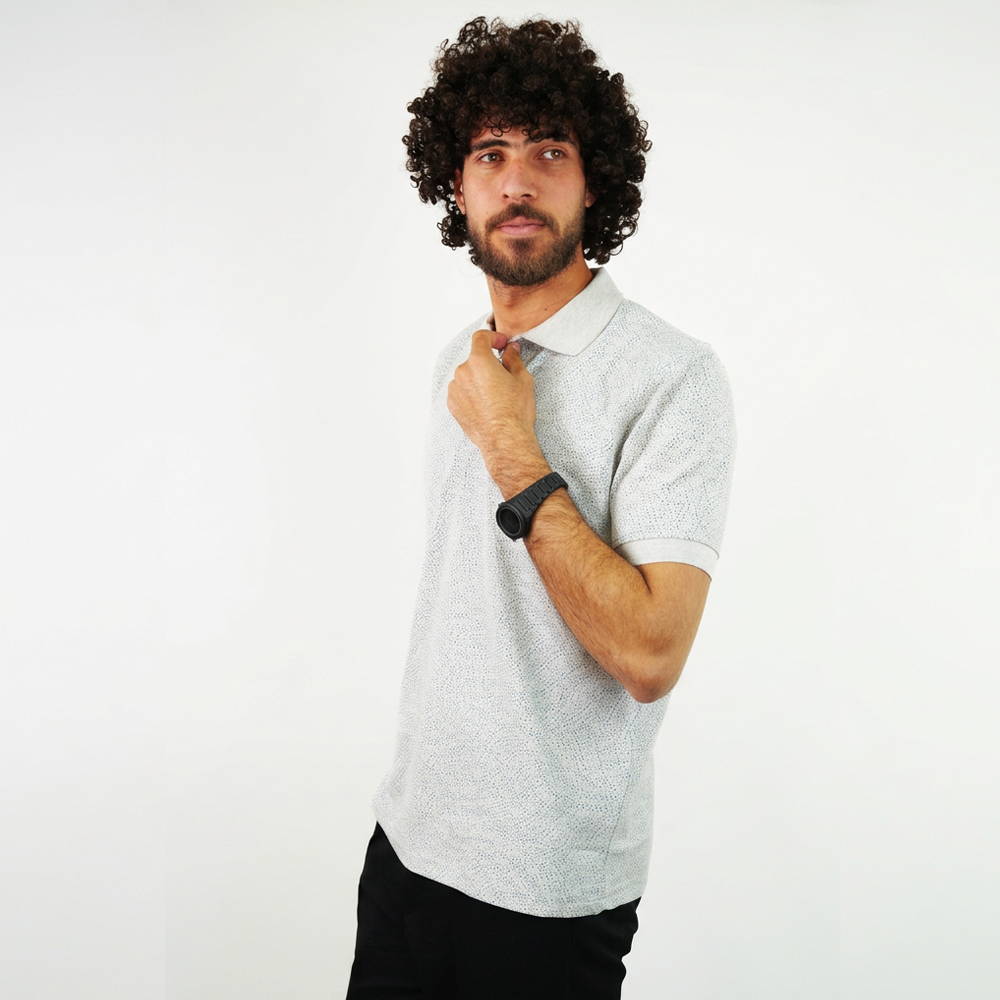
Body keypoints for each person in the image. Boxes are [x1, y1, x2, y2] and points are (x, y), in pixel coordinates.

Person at [346, 16, 735, 999]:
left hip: (542, 892)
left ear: (594, 179)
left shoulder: (673, 377)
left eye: (549, 151)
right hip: (407, 844)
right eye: (490, 153)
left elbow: (650, 654)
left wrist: (513, 448)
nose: (517, 181)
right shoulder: (463, 362)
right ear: (456, 184)